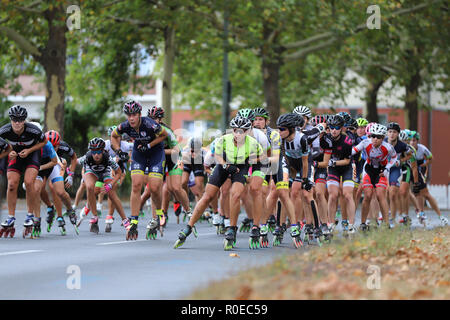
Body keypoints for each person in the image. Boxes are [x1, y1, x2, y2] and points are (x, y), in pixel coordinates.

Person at [174, 116, 265, 250]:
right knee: (207, 196)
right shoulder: (224, 139)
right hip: (224, 166)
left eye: (243, 131)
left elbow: (262, 157)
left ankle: (232, 229)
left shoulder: (252, 143)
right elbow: (217, 156)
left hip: (241, 168)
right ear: (232, 130)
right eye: (236, 130)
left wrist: (251, 161)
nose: (238, 134)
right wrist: (226, 165)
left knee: (235, 195)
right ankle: (189, 226)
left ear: (248, 131)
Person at [111, 100, 168, 239]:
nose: (131, 118)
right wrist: (118, 152)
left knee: (154, 188)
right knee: (136, 184)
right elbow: (113, 136)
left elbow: (164, 135)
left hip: (156, 153)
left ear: (139, 114)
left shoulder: (150, 123)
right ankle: (134, 221)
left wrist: (149, 145)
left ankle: (160, 212)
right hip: (139, 154)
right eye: (128, 115)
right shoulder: (125, 126)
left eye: (134, 115)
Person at [0, 105, 47, 238]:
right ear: (10, 119)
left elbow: (44, 141)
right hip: (16, 156)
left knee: (28, 182)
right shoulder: (4, 131)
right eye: (14, 119)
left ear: (24, 120)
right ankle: (10, 217)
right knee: (12, 184)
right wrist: (9, 152)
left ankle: (30, 215)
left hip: (32, 155)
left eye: (20, 120)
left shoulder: (33, 130)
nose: (17, 123)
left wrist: (30, 150)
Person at [76, 138, 131, 237]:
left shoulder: (107, 158)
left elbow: (119, 173)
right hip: (92, 172)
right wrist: (68, 171)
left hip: (105, 172)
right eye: (94, 152)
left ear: (103, 151)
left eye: (98, 152)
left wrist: (110, 185)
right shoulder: (87, 157)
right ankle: (94, 216)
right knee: (89, 187)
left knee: (111, 193)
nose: (96, 155)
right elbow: (74, 161)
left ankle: (125, 220)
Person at [352, 123, 397, 230]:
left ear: (383, 138)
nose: (375, 139)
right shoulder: (365, 143)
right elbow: (353, 151)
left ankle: (386, 223)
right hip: (368, 169)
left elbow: (394, 158)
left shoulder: (388, 147)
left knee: (380, 195)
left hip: (381, 171)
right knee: (367, 195)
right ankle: (363, 223)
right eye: (373, 136)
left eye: (378, 137)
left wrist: (387, 168)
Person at [319, 114, 357, 235]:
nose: (334, 130)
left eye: (337, 127)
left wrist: (333, 162)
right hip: (333, 169)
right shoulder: (325, 139)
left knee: (347, 195)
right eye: (331, 127)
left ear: (341, 128)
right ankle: (330, 223)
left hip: (346, 168)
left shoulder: (347, 141)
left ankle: (351, 224)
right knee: (333, 194)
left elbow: (347, 161)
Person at [410, 131, 448, 226]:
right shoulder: (407, 149)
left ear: (417, 141)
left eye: (414, 140)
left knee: (425, 193)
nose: (412, 143)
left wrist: (425, 164)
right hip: (411, 169)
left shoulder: (422, 149)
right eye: (410, 141)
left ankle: (440, 216)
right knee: (417, 192)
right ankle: (421, 213)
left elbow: (431, 158)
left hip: (420, 169)